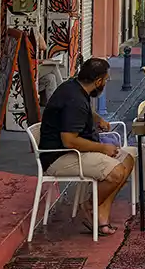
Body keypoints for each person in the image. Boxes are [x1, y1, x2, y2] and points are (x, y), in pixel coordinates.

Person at [38, 58, 134, 237]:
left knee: (127, 160)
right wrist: (102, 148)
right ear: (98, 81)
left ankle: (100, 215)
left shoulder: (75, 88)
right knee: (117, 173)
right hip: (59, 157)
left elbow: (85, 111)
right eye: (105, 80)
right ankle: (89, 205)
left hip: (71, 151)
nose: (105, 83)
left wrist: (98, 120)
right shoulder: (75, 101)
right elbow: (69, 141)